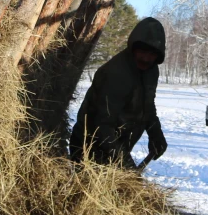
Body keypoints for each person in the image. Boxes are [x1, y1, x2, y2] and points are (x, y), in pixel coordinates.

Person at [69, 17, 169, 168]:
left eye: (152, 54)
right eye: (142, 52)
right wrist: (123, 161)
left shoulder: (151, 70)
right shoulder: (115, 73)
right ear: (133, 48)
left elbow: (147, 105)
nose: (146, 58)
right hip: (90, 147)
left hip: (116, 146)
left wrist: (156, 134)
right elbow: (102, 124)